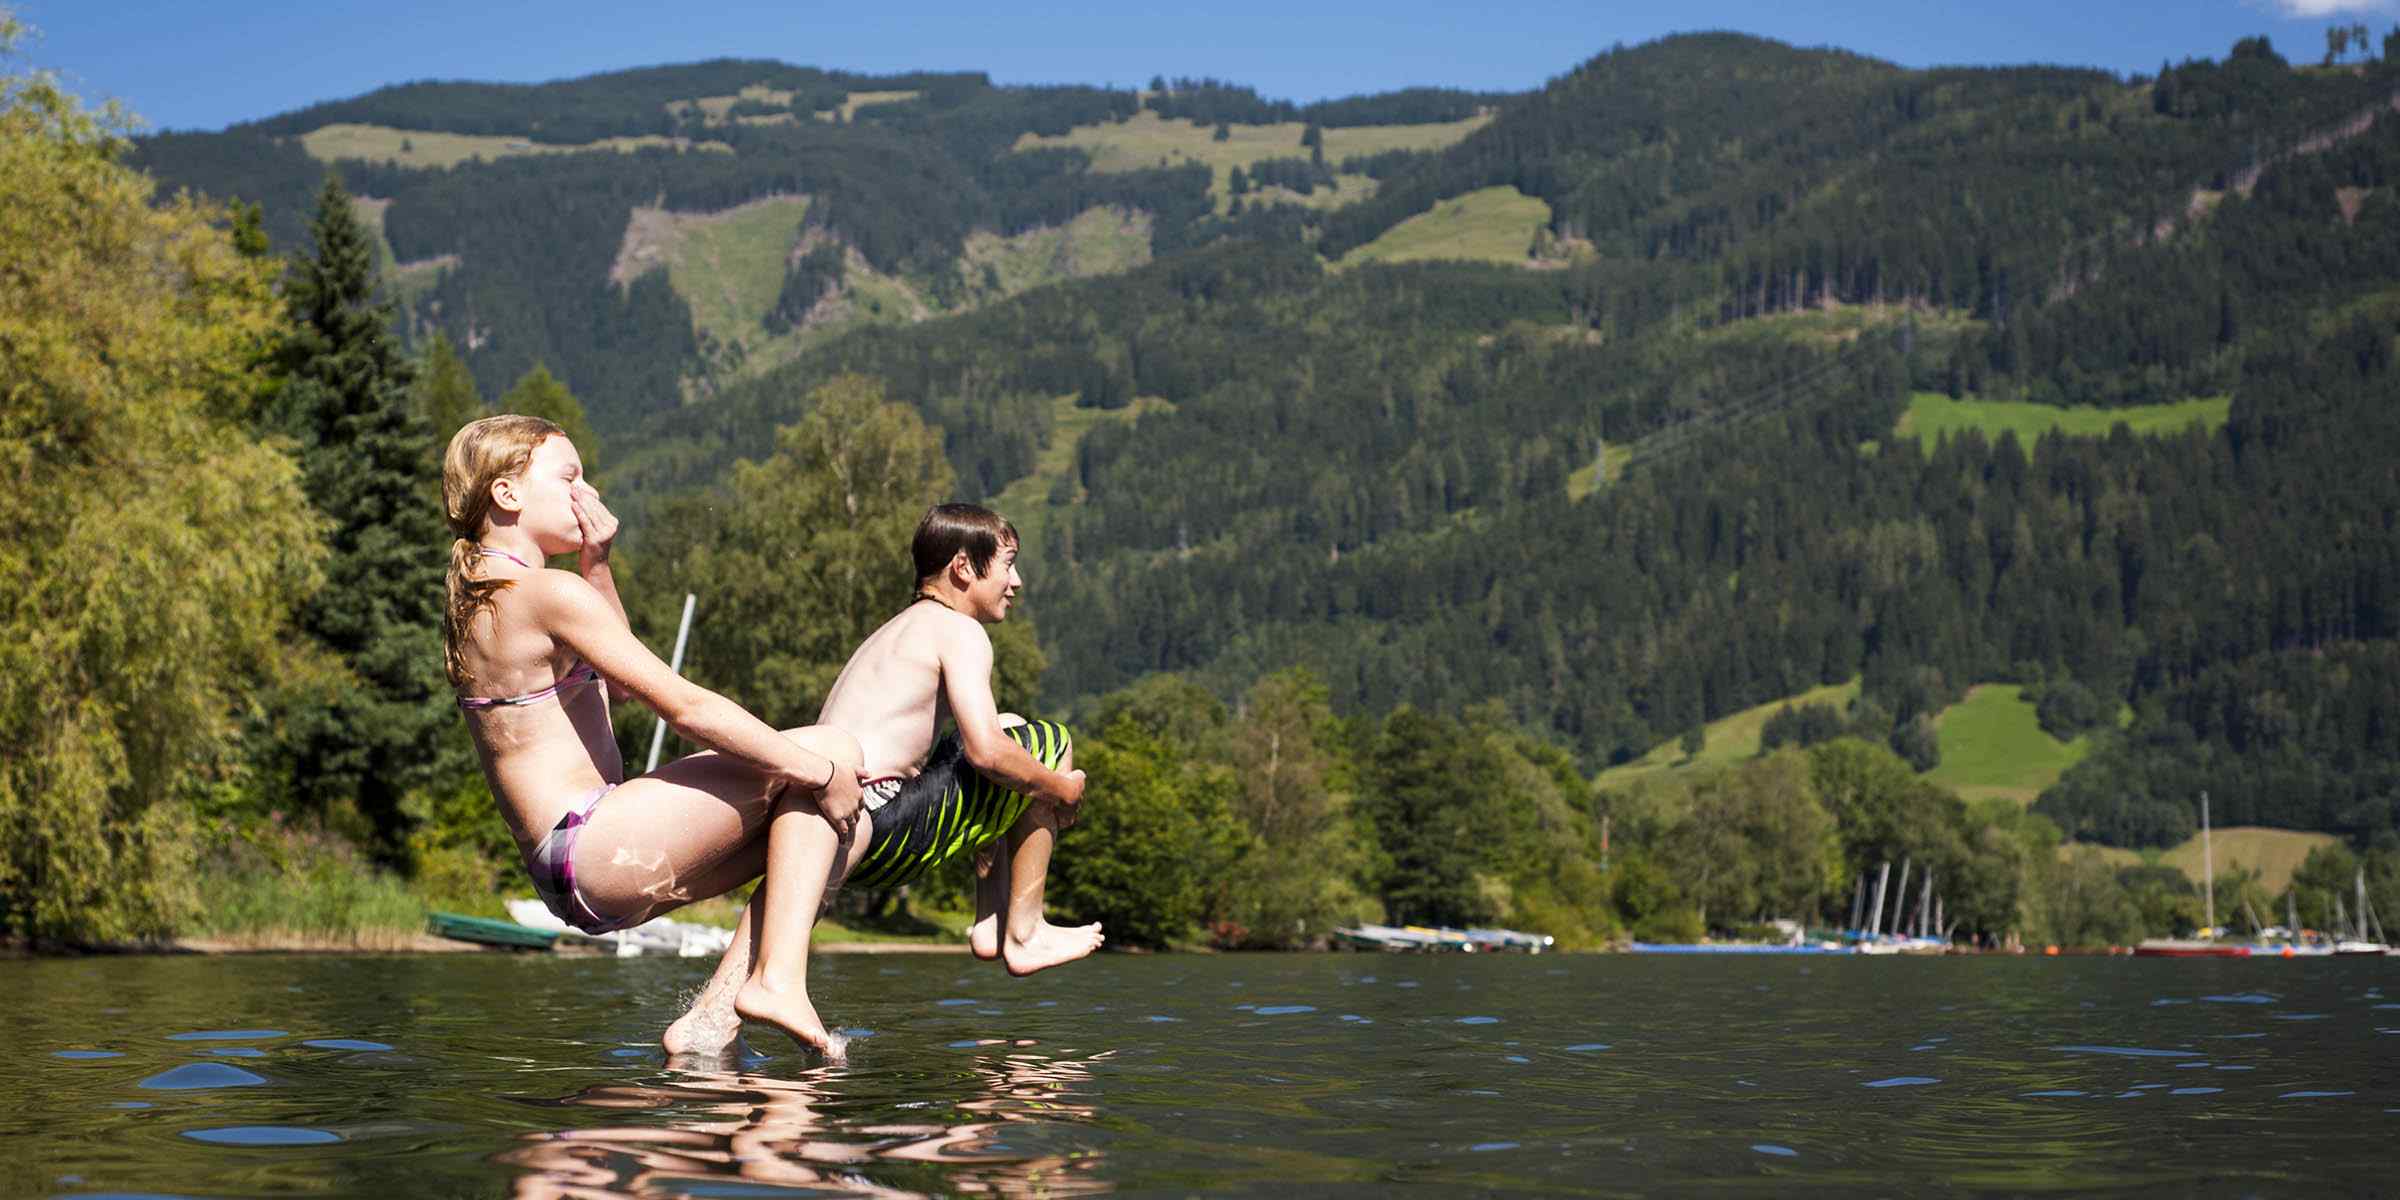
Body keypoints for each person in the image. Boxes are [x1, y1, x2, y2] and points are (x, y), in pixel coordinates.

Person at [440, 413, 868, 1061]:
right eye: (570, 477)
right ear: (507, 493)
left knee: (843, 829)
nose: (588, 492)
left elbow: (620, 683)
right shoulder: (544, 593)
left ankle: (712, 1023)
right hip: (596, 842)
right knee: (836, 752)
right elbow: (683, 706)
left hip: (573, 869)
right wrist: (820, 771)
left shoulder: (487, 596)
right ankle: (776, 983)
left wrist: (598, 565)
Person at [818, 503, 1103, 975]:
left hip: (839, 825)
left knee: (1010, 724)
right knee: (1049, 742)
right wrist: (1063, 789)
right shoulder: (959, 630)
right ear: (964, 567)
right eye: (1008, 564)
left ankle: (992, 919)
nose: (1016, 582)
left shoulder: (898, 628)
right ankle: (1026, 932)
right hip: (876, 829)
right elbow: (986, 753)